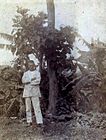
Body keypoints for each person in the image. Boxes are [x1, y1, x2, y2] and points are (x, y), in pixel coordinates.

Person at [22, 60, 43, 126]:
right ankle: (29, 121)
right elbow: (23, 81)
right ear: (28, 66)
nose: (31, 67)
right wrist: (31, 80)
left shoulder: (37, 73)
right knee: (28, 108)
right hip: (27, 92)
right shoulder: (26, 73)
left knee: (37, 107)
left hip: (35, 92)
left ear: (34, 66)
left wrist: (29, 82)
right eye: (29, 65)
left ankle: (39, 122)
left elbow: (38, 81)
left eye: (32, 65)